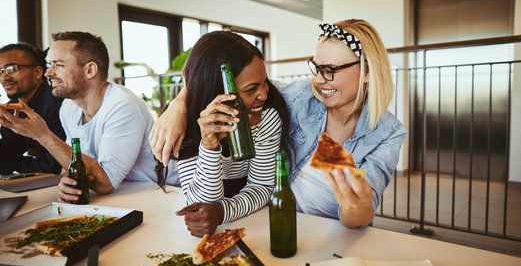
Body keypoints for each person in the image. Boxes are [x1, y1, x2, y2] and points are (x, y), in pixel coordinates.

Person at [149, 19, 407, 229]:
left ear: (367, 71)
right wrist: (180, 103)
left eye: (329, 70)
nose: (318, 80)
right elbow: (224, 82)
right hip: (279, 223)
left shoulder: (388, 133)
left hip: (335, 233)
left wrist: (357, 209)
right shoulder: (300, 96)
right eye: (316, 68)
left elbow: (359, 216)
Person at [0, 31, 178, 202]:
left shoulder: (122, 105)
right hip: (123, 193)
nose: (48, 73)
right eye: (50, 65)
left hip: (164, 193)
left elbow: (105, 181)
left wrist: (42, 135)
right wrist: (66, 182)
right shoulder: (69, 107)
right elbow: (73, 161)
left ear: (90, 70)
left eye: (59, 65)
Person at [156, 31, 292, 237]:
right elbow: (199, 203)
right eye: (251, 89)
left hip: (255, 223)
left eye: (264, 82)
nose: (264, 94)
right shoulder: (184, 123)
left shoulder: (268, 115)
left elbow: (262, 187)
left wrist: (221, 212)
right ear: (217, 91)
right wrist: (209, 145)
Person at [0, 43, 65, 175]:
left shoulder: (59, 104)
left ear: (37, 72)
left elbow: (56, 165)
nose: (4, 77)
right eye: (0, 72)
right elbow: (5, 161)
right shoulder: (12, 108)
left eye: (12, 69)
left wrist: (15, 163)